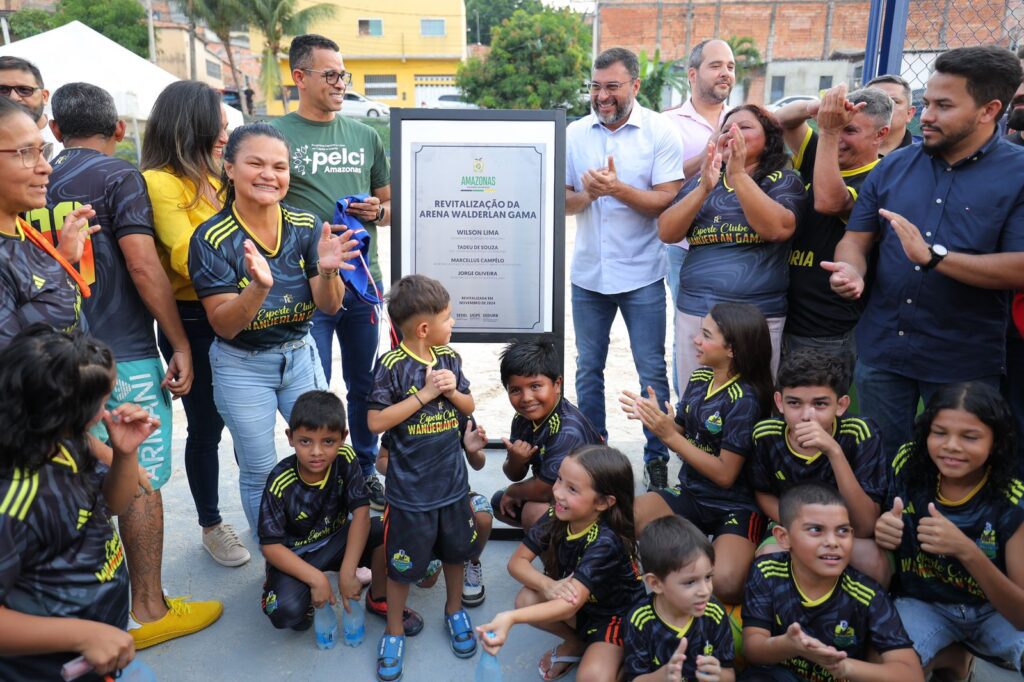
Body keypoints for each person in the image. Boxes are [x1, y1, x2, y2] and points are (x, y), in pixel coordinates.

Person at [31, 81, 223, 649]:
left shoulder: (36, 177)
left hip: (47, 353)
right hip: (123, 353)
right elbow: (143, 266)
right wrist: (179, 341)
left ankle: (86, 604)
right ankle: (149, 609)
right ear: (118, 131)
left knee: (71, 472)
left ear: (56, 130)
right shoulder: (119, 177)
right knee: (137, 477)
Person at [828, 46, 1024, 459]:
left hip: (962, 362)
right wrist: (851, 270)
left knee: (953, 474)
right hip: (882, 352)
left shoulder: (1017, 174)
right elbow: (857, 238)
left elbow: (1019, 267)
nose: (925, 115)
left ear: (989, 110)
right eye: (926, 102)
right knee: (880, 465)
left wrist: (936, 258)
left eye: (943, 105)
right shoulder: (894, 166)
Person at [188, 122, 356, 537]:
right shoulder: (211, 238)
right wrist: (259, 288)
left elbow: (328, 304)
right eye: (256, 163)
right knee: (260, 466)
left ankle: (323, 540)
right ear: (229, 168)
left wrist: (330, 272)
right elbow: (224, 324)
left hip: (300, 355)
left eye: (279, 166)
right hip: (241, 365)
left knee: (327, 451)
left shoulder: (304, 225)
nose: (269, 175)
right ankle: (276, 557)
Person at [271, 34, 391, 510]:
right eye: (332, 74)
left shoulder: (365, 135)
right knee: (313, 392)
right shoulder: (275, 135)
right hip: (307, 286)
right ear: (300, 77)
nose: (342, 83)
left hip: (363, 280)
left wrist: (376, 213)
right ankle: (317, 479)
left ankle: (364, 468)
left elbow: (390, 203)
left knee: (364, 385)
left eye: (344, 75)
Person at [0, 325, 156, 680]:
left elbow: (112, 505)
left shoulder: (67, 447)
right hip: (51, 668)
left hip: (103, 655)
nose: (107, 412)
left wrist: (124, 453)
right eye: (103, 403)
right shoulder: (13, 502)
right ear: (68, 412)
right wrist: (86, 635)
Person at [565, 46, 684, 492]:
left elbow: (666, 200)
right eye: (596, 86)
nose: (602, 96)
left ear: (635, 85)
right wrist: (590, 196)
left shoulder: (660, 131)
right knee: (586, 369)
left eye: (612, 86)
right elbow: (564, 200)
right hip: (589, 276)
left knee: (650, 371)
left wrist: (618, 189)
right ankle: (596, 457)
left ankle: (656, 462)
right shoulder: (576, 133)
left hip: (642, 274)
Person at [141, 80, 248, 568]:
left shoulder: (221, 176)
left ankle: (267, 508)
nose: (227, 135)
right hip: (195, 317)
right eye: (220, 127)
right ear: (194, 127)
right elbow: (187, 258)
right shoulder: (159, 181)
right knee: (206, 428)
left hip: (246, 309)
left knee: (251, 422)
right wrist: (260, 263)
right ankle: (211, 524)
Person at [366, 274, 478, 681]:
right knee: (402, 567)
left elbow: (468, 405)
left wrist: (450, 393)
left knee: (455, 553)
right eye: (449, 318)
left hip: (452, 488)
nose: (454, 325)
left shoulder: (450, 359)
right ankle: (394, 630)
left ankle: (454, 610)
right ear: (424, 328)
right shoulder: (391, 367)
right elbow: (375, 420)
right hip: (410, 494)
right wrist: (425, 396)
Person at [623, 302, 773, 604]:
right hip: (691, 493)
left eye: (706, 335)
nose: (696, 340)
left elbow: (725, 474)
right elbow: (682, 434)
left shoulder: (746, 398)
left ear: (731, 349)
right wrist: (660, 423)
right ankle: (632, 594)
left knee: (726, 584)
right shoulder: (701, 378)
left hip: (735, 506)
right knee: (620, 521)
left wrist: (669, 437)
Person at [875, 383, 1024, 678]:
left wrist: (967, 551)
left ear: (995, 442)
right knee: (886, 667)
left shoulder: (1013, 499)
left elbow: (1020, 615)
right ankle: (953, 657)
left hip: (995, 612)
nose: (951, 446)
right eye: (939, 432)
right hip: (924, 604)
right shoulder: (909, 464)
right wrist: (883, 529)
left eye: (970, 437)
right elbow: (878, 523)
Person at [659, 104, 807, 386]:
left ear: (769, 139)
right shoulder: (703, 182)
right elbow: (666, 231)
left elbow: (779, 228)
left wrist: (738, 175)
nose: (732, 133)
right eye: (726, 129)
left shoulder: (781, 180)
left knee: (752, 401)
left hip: (756, 315)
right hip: (698, 311)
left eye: (745, 127)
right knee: (697, 397)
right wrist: (703, 188)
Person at [258, 390, 422, 633]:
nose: (316, 452)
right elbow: (270, 546)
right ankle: (285, 585)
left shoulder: (345, 458)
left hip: (337, 540)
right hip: (299, 554)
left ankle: (378, 597)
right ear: (290, 438)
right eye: (305, 441)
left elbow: (362, 514)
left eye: (328, 441)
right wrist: (317, 579)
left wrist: (347, 571)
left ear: (343, 438)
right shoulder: (280, 481)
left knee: (390, 529)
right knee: (285, 612)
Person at [476, 446, 645, 682]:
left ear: (604, 502)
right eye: (559, 480)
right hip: (581, 605)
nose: (558, 493)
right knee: (526, 599)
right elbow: (517, 562)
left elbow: (568, 606)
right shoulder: (557, 514)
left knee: (593, 678)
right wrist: (547, 585)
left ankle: (623, 658)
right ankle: (577, 642)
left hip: (614, 618)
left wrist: (510, 618)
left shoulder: (607, 541)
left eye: (572, 489)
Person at [742, 483, 923, 681]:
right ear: (784, 538)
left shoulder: (867, 595)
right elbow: (752, 649)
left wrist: (844, 667)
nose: (833, 542)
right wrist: (788, 645)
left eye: (842, 531)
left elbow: (912, 674)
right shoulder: (767, 572)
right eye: (815, 530)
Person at [774, 86, 891, 364]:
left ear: (881, 134)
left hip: (824, 329)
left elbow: (829, 202)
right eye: (836, 127)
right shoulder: (822, 149)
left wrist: (827, 131)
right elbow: (779, 121)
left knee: (811, 406)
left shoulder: (881, 179)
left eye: (849, 130)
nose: (839, 137)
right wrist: (817, 108)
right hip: (782, 315)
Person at [749, 349, 889, 582]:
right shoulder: (766, 434)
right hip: (791, 527)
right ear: (779, 402)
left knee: (873, 561)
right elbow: (763, 493)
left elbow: (865, 526)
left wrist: (834, 452)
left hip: (847, 531)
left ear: (841, 405)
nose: (807, 416)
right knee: (768, 557)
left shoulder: (861, 433)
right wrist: (802, 530)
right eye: (794, 403)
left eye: (820, 404)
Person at [663, 39, 736, 398]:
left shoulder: (747, 118)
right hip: (686, 247)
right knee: (693, 335)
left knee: (732, 337)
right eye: (716, 65)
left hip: (736, 246)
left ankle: (727, 414)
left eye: (731, 66)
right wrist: (713, 147)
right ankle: (691, 414)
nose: (726, 73)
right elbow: (664, 182)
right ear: (693, 74)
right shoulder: (667, 124)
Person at [0, 96, 93, 346]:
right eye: (27, 153)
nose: (46, 167)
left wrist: (61, 259)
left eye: (43, 151)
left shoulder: (23, 234)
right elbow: (16, 365)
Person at [376, 416, 493, 608]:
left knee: (483, 516)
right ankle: (436, 555)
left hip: (454, 501)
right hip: (417, 506)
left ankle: (471, 563)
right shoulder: (403, 417)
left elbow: (479, 463)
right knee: (426, 581)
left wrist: (473, 452)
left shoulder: (458, 414)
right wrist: (410, 473)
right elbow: (381, 460)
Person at [490, 339, 603, 532]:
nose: (526, 398)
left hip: (595, 503)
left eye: (535, 386)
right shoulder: (522, 418)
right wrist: (517, 460)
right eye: (516, 390)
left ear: (557, 384)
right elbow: (514, 474)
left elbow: (544, 489)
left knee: (534, 512)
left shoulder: (567, 430)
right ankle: (559, 542)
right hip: (563, 493)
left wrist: (514, 490)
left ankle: (564, 558)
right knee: (500, 503)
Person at [623, 515, 736, 682]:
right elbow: (635, 679)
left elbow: (730, 674)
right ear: (655, 583)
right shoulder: (640, 621)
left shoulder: (714, 612)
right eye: (690, 582)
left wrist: (718, 675)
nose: (705, 591)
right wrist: (661, 677)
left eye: (708, 577)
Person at [0, 56, 60, 154]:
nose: (13, 98)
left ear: (44, 97)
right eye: (2, 90)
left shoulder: (72, 136)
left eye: (24, 90)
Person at [863, 74, 918, 155]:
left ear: (909, 113)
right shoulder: (842, 148)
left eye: (893, 101)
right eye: (873, 101)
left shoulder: (926, 156)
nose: (882, 106)